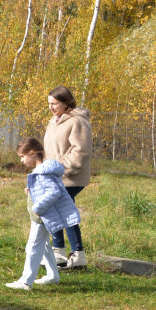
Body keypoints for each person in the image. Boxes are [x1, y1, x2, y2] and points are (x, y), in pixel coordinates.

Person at [7, 137, 78, 291]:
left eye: (22, 157)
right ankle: (53, 275)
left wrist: (38, 206)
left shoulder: (42, 172)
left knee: (32, 246)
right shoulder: (42, 171)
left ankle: (26, 282)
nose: (21, 161)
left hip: (41, 216)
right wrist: (31, 191)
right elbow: (45, 189)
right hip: (40, 215)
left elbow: (54, 191)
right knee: (44, 245)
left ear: (32, 153)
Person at [43, 86, 92, 270]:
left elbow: (81, 151)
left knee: (64, 211)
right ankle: (59, 253)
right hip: (54, 176)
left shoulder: (77, 121)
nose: (50, 107)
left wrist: (62, 169)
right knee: (54, 210)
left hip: (70, 178)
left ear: (66, 103)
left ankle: (77, 254)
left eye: (54, 103)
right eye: (49, 103)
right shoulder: (54, 121)